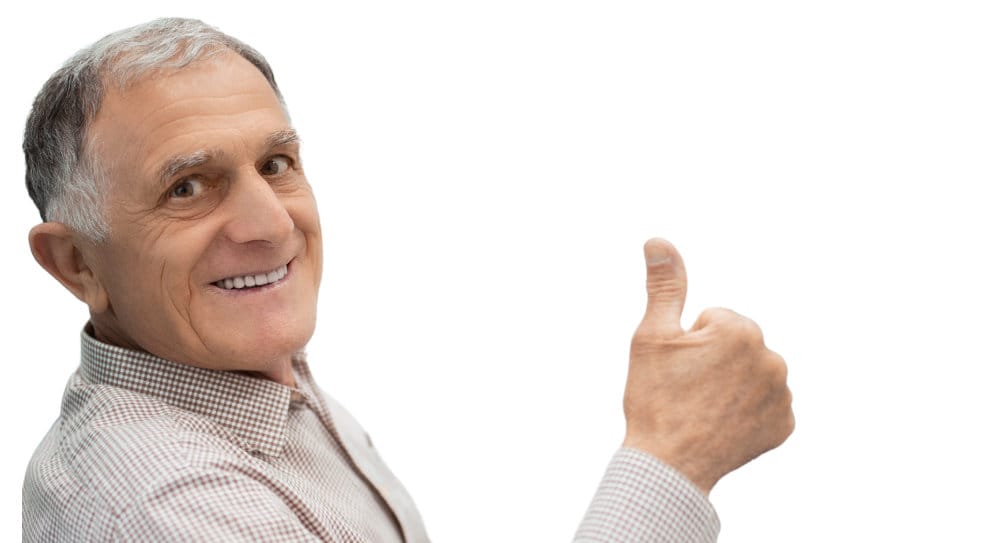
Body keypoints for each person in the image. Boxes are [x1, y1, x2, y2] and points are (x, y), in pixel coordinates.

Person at [22, 18, 793, 542]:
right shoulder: (160, 505)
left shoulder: (246, 382)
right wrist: (674, 456)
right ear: (77, 263)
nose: (272, 224)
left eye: (276, 164)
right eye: (187, 186)